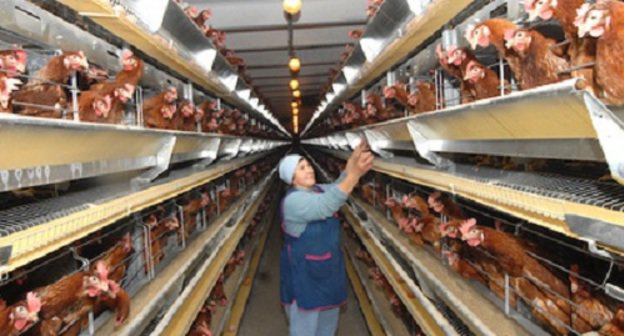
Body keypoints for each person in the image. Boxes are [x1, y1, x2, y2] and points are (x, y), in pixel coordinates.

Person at [278, 140, 374, 336]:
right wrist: (356, 174)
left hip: (329, 271)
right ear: (291, 178)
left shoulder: (317, 189)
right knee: (304, 328)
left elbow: (339, 184)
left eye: (308, 166)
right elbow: (327, 205)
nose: (309, 170)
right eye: (301, 168)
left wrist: (354, 157)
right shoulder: (293, 201)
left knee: (327, 327)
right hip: (305, 276)